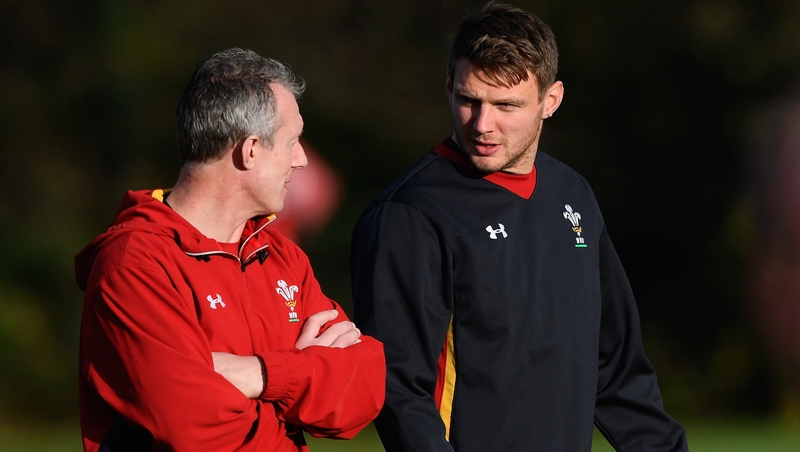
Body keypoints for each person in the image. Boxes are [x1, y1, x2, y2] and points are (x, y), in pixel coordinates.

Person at [351, 3, 688, 451]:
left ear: (551, 101)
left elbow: (615, 366)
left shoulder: (573, 194)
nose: (483, 124)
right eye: (469, 100)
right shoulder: (410, 214)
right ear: (449, 86)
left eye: (506, 105)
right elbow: (399, 388)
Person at [75, 48, 385, 451]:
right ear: (250, 150)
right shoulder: (134, 264)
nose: (303, 159)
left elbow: (363, 387)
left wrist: (260, 375)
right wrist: (303, 375)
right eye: (292, 142)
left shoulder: (281, 255)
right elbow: (198, 433)